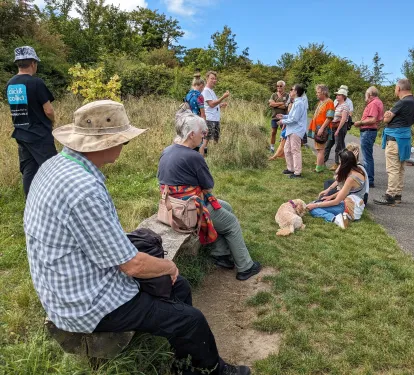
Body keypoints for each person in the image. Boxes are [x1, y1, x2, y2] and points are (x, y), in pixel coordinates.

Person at [24, 100, 251, 375]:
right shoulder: (84, 189)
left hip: (63, 281)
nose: (123, 146)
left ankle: (183, 360)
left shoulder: (56, 166)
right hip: (84, 302)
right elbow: (132, 266)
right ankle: (213, 370)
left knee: (179, 288)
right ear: (106, 143)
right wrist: (168, 266)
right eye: (123, 141)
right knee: (191, 319)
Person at [158, 109, 261, 281]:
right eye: (202, 134)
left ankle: (220, 254)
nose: (204, 137)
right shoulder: (193, 157)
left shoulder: (167, 150)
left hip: (172, 205)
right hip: (188, 211)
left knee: (225, 206)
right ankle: (245, 267)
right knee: (231, 222)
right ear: (191, 135)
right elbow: (208, 186)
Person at [6, 46, 56, 197]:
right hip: (38, 134)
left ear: (18, 63)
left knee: (29, 169)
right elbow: (48, 110)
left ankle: (30, 202)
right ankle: (55, 201)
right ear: (33, 63)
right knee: (53, 168)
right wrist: (53, 121)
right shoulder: (36, 83)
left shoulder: (10, 84)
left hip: (21, 133)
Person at [374, 78, 414, 206]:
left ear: (398, 89)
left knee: (392, 168)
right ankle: (397, 194)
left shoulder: (401, 103)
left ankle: (390, 196)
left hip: (394, 140)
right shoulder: (413, 102)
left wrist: (387, 115)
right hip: (405, 139)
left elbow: (386, 119)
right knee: (401, 168)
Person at [307, 150, 367, 228]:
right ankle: (341, 217)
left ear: (344, 164)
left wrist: (316, 205)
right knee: (314, 203)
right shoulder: (359, 170)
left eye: (340, 162)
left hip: (350, 209)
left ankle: (335, 219)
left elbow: (336, 201)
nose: (339, 164)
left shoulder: (351, 179)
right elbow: (344, 190)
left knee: (312, 208)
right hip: (354, 205)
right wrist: (330, 197)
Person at [353, 86, 384, 188]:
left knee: (367, 157)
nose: (365, 96)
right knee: (368, 156)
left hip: (368, 131)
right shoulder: (378, 102)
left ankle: (368, 180)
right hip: (371, 131)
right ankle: (368, 179)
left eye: (366, 94)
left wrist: (360, 123)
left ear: (369, 95)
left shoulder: (373, 103)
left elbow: (372, 119)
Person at [276, 84, 308, 178]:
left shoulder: (299, 103)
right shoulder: (296, 102)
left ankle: (297, 172)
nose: (290, 91)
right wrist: (284, 116)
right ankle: (291, 169)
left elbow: (294, 119)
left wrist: (282, 121)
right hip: (291, 130)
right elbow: (292, 116)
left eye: (292, 89)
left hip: (296, 130)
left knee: (295, 150)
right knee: (287, 149)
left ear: (296, 92)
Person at [307, 84, 335, 173]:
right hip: (317, 128)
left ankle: (318, 169)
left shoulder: (329, 102)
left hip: (322, 129)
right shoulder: (321, 102)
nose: (317, 94)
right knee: (319, 148)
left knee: (320, 149)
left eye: (318, 92)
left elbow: (329, 117)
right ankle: (321, 166)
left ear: (324, 92)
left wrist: (322, 128)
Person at [324, 85, 353, 166]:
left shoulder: (345, 106)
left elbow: (343, 119)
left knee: (338, 147)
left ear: (343, 96)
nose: (336, 96)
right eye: (337, 95)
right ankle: (323, 161)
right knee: (328, 145)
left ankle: (338, 164)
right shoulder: (337, 104)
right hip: (333, 127)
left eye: (338, 95)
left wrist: (337, 130)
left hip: (339, 128)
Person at [201, 71, 229, 155]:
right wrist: (223, 97)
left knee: (215, 138)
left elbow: (213, 104)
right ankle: (202, 156)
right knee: (206, 140)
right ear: (207, 79)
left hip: (215, 118)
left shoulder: (211, 91)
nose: (214, 80)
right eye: (212, 78)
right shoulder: (206, 91)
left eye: (215, 79)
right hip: (209, 118)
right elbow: (211, 104)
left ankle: (215, 156)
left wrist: (220, 105)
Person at [185, 73, 207, 155]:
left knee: (190, 142)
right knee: (199, 144)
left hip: (188, 121)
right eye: (203, 87)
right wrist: (205, 126)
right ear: (201, 85)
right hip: (197, 121)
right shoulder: (199, 96)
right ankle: (199, 163)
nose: (203, 89)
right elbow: (202, 113)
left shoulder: (188, 95)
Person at [268, 80, 289, 153]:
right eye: (277, 86)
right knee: (273, 132)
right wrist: (282, 103)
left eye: (280, 86)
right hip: (274, 117)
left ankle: (282, 149)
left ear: (284, 86)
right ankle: (272, 147)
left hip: (284, 117)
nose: (279, 87)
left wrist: (275, 104)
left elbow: (286, 106)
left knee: (284, 134)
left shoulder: (287, 95)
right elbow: (271, 104)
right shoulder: (273, 95)